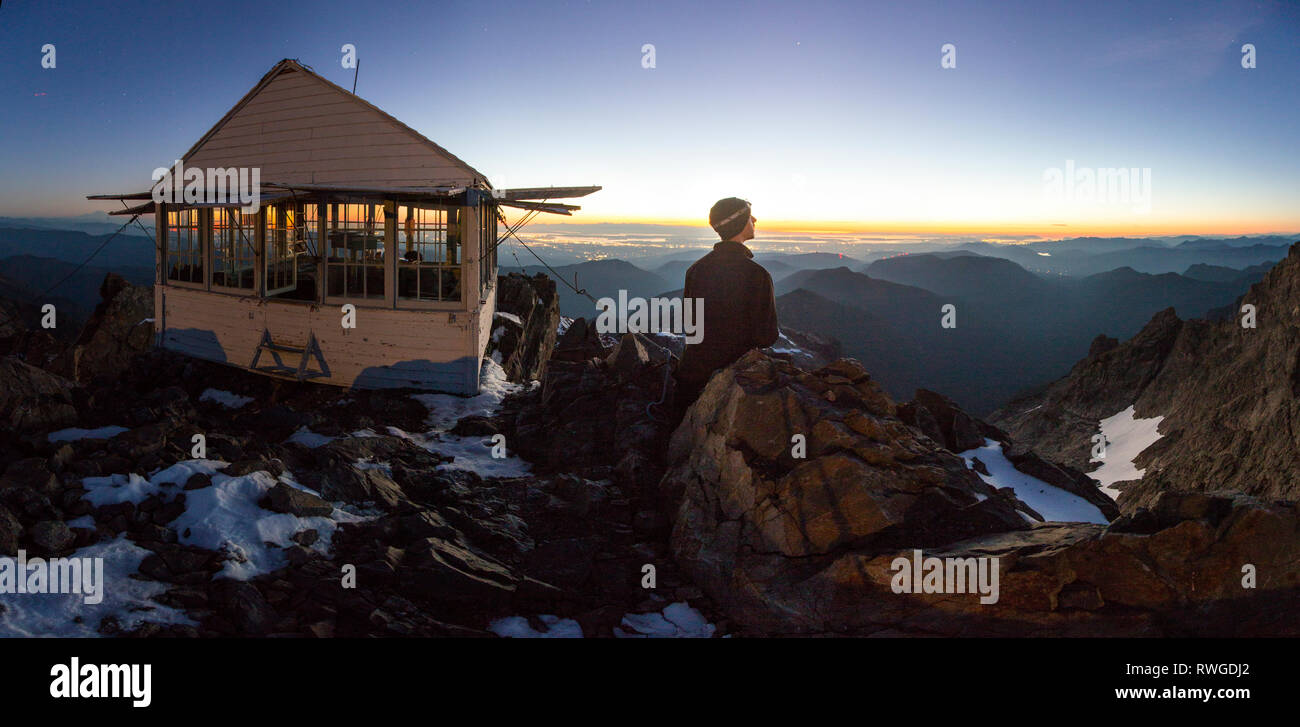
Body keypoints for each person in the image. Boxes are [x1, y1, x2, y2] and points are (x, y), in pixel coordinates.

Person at [671, 197, 779, 425]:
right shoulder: (757, 275)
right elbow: (767, 336)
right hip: (733, 378)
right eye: (750, 216)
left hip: (693, 376)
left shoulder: (696, 270)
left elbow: (692, 325)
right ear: (740, 222)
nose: (755, 220)